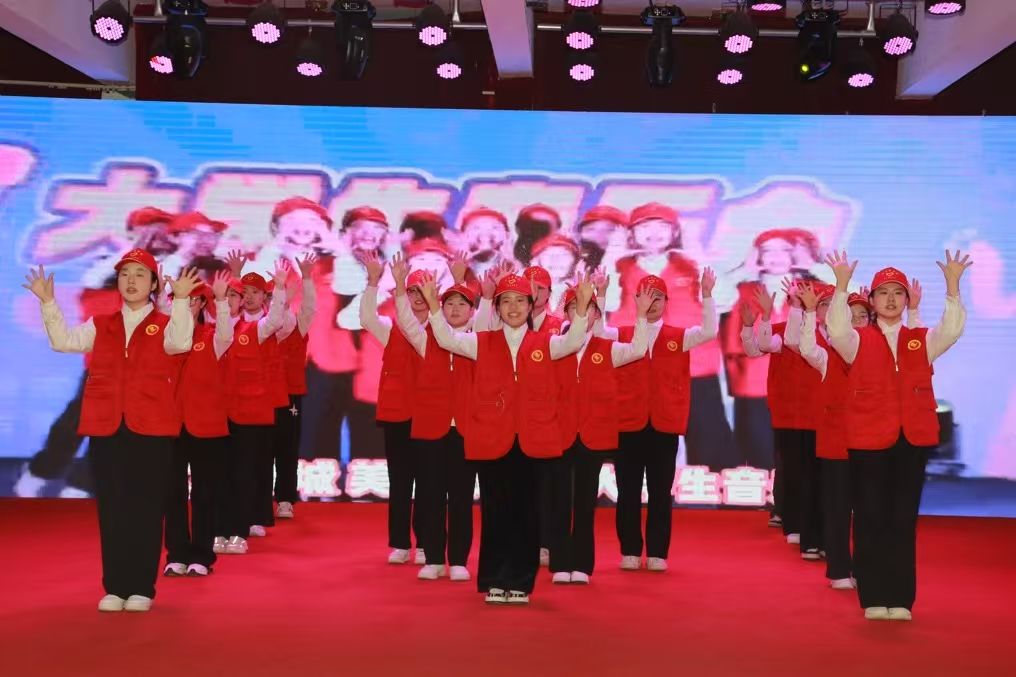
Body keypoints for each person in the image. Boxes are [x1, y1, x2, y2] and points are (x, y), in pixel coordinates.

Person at [24, 252, 198, 613]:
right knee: (113, 510)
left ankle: (141, 588)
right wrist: (48, 303)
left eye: (140, 275)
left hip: (151, 431)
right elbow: (63, 341)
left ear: (154, 284)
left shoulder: (165, 323)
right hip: (107, 429)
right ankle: (116, 587)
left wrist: (181, 300)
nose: (131, 281)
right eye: (125, 275)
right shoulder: (101, 324)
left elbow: (181, 343)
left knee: (146, 509)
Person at [421, 270, 593, 605]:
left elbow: (573, 342)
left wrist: (583, 307)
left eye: (520, 301)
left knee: (527, 513)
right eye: (506, 302)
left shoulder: (545, 342)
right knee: (495, 512)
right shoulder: (481, 341)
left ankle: (520, 583)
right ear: (497, 308)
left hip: (531, 440)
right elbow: (445, 339)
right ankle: (495, 580)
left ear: (530, 305)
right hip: (492, 439)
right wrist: (433, 305)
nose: (513, 307)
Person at [824, 250, 969, 622]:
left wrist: (953, 286)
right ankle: (874, 595)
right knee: (870, 517)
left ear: (906, 300)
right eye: (883, 293)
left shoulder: (920, 340)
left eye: (898, 293)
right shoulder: (856, 340)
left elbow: (952, 330)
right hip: (868, 440)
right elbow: (835, 330)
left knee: (903, 520)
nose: (891, 299)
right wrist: (841, 287)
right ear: (872, 301)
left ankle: (901, 598)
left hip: (911, 440)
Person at [608, 268, 718, 572]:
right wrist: (601, 295)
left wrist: (707, 295)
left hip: (664, 425)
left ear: (667, 302)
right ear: (635, 300)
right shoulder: (621, 334)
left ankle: (658, 551)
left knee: (660, 492)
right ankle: (630, 550)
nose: (652, 303)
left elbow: (709, 331)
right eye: (646, 297)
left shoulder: (679, 336)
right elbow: (596, 332)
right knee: (627, 492)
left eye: (658, 297)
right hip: (628, 424)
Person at [548, 280, 651, 584]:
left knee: (584, 503)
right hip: (559, 434)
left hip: (592, 436)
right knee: (559, 501)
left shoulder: (607, 348)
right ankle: (560, 563)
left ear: (597, 314)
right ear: (567, 313)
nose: (583, 312)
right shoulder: (555, 346)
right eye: (575, 307)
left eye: (590, 307)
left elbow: (638, 349)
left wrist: (641, 315)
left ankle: (582, 564)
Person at [391, 252, 481, 582]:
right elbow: (405, 319)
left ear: (472, 311)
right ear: (439, 309)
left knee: (460, 498)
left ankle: (458, 559)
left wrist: (465, 280)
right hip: (430, 429)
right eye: (449, 304)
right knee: (429, 496)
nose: (455, 309)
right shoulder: (425, 339)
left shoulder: (480, 341)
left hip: (465, 431)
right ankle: (433, 557)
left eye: (462, 304)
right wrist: (399, 286)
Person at [357, 250, 427, 565]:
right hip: (398, 416)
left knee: (428, 483)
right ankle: (399, 543)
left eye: (424, 292)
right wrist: (373, 282)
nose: (418, 298)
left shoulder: (443, 329)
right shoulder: (390, 328)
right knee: (400, 482)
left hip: (430, 417)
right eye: (412, 291)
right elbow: (367, 319)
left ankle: (426, 541)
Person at [163, 271, 233, 578]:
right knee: (173, 494)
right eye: (183, 299)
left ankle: (201, 556)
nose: (189, 304)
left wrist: (222, 300)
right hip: (171, 426)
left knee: (205, 493)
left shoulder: (212, 337)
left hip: (206, 426)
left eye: (195, 300)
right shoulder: (166, 339)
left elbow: (227, 335)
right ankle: (176, 554)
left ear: (203, 304)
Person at [218, 265, 288, 555]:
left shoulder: (254, 329)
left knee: (246, 470)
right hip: (216, 413)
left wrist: (280, 288)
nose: (240, 299)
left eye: (239, 295)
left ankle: (240, 528)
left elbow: (275, 319)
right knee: (221, 473)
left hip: (248, 412)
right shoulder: (210, 330)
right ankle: (219, 529)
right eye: (232, 295)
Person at [273, 254, 318, 519]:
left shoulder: (298, 327)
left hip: (290, 394)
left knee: (287, 448)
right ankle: (257, 500)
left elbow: (309, 308)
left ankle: (285, 498)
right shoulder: (262, 327)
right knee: (261, 449)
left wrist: (308, 278)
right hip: (262, 395)